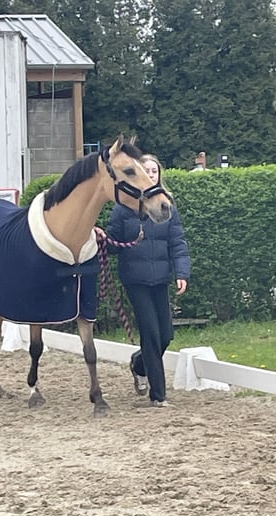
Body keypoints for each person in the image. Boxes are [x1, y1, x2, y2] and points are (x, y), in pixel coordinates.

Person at [106, 154, 191, 407]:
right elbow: (114, 244)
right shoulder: (123, 209)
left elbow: (177, 242)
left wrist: (182, 272)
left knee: (165, 335)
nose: (151, 175)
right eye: (147, 171)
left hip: (161, 278)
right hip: (136, 279)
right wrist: (101, 238)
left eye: (154, 171)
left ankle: (139, 364)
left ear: (159, 175)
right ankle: (159, 395)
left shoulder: (167, 207)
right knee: (151, 334)